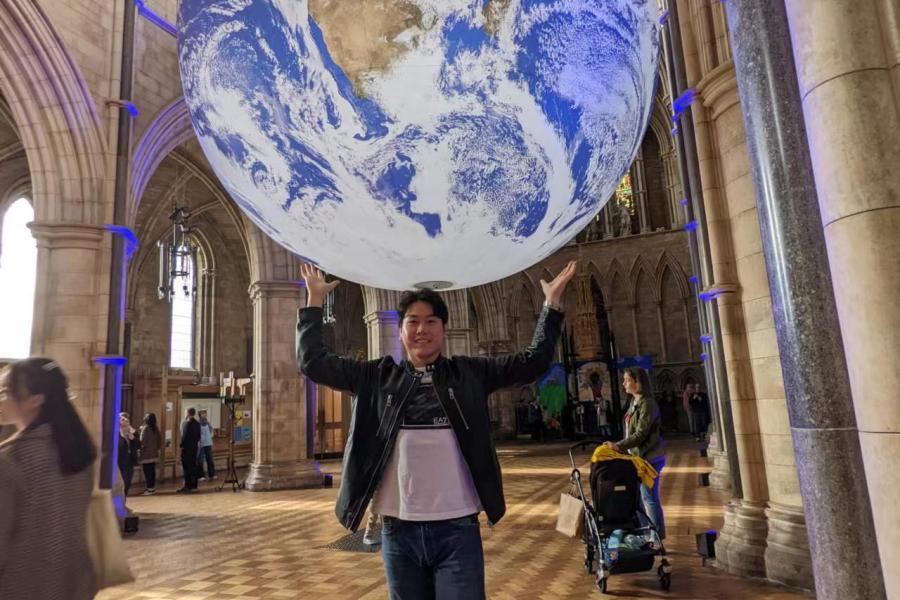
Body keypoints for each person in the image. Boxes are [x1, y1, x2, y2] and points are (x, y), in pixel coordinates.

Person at [297, 260, 576, 599]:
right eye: (412, 321)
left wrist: (552, 306)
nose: (421, 329)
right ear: (401, 330)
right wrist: (313, 302)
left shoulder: (469, 373)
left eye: (431, 321)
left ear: (444, 329)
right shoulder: (376, 378)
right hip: (399, 530)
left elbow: (532, 362)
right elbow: (314, 362)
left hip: (458, 527)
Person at [0, 358, 98, 599]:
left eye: (5, 391)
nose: (1, 398)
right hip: (71, 585)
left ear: (36, 399)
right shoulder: (78, 451)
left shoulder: (13, 459)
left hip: (21, 587)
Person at [604, 367, 666, 539]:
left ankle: (656, 537)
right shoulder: (634, 401)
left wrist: (618, 446)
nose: (624, 383)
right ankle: (647, 532)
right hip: (638, 458)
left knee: (649, 498)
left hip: (650, 458)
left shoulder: (648, 403)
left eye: (627, 380)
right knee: (637, 498)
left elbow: (641, 434)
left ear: (637, 382)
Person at [179, 407, 201, 493]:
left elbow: (184, 437)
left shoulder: (186, 424)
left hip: (187, 449)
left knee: (187, 468)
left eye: (185, 412)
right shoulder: (197, 424)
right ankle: (194, 485)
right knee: (193, 466)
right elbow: (199, 436)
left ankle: (188, 486)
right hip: (194, 448)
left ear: (188, 413)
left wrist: (181, 446)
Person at [139, 412, 161, 495]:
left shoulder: (145, 428)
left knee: (147, 472)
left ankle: (149, 489)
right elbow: (159, 441)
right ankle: (152, 488)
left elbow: (142, 441)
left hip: (146, 454)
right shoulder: (156, 428)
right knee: (152, 471)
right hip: (154, 454)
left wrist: (141, 430)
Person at [118, 412, 139, 496]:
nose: (125, 421)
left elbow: (139, 445)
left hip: (130, 462)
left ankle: (123, 502)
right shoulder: (116, 434)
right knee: (121, 484)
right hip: (119, 462)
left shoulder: (133, 433)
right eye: (123, 419)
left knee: (127, 483)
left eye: (127, 420)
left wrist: (133, 438)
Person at [197, 411, 216, 480]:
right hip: (201, 444)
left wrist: (211, 435)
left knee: (210, 459)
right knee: (200, 460)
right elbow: (197, 434)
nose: (205, 415)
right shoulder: (198, 423)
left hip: (208, 443)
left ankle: (212, 474)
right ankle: (201, 475)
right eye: (203, 414)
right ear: (200, 415)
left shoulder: (208, 423)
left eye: (205, 414)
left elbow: (211, 431)